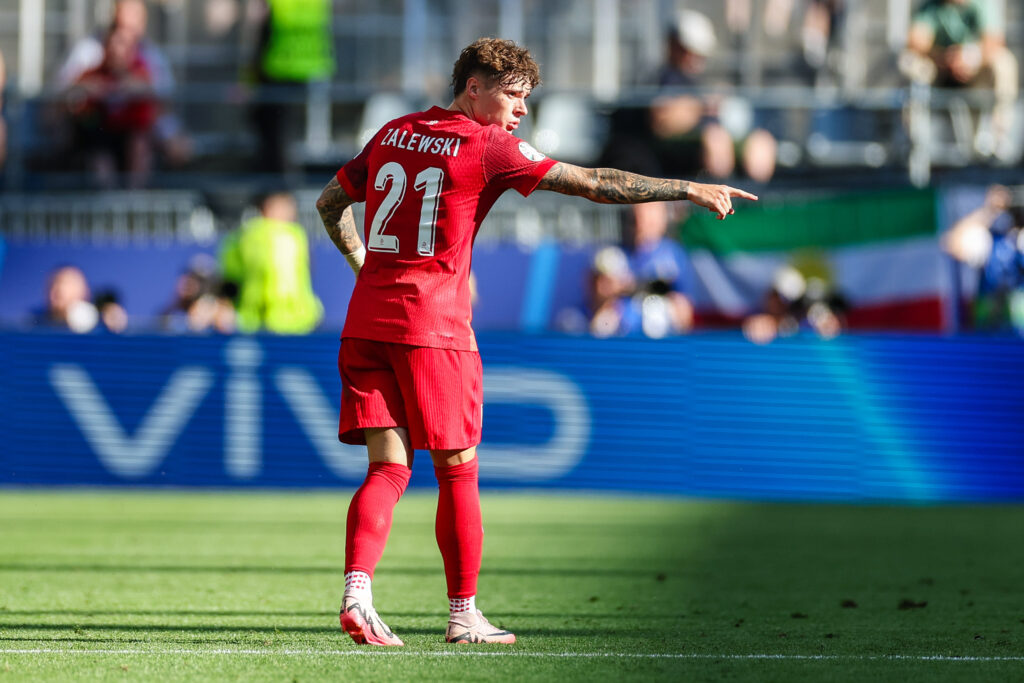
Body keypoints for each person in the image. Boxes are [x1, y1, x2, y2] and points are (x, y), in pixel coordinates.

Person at [315, 37, 756, 647]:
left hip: (367, 323)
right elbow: (595, 182)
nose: (521, 110)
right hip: (435, 329)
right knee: (458, 471)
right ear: (474, 87)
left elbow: (330, 202)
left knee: (388, 469)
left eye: (527, 97)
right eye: (513, 95)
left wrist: (364, 264)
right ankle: (464, 613)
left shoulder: (393, 132)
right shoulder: (487, 145)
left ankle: (357, 593)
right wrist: (684, 187)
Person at [56, 0, 192, 169]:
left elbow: (164, 99)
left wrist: (139, 89)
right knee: (99, 146)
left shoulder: (149, 58)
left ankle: (138, 192)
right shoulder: (90, 53)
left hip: (135, 128)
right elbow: (62, 91)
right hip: (99, 126)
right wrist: (90, 88)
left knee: (160, 144)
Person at [901, 0, 1019, 159]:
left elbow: (994, 40)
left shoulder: (982, 4)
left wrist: (970, 57)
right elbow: (915, 40)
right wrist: (945, 58)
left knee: (1004, 62)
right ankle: (914, 139)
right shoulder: (932, 6)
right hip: (939, 69)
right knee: (908, 61)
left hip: (975, 72)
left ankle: (999, 137)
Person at [244, 0, 335, 174]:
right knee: (286, 134)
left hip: (276, 69)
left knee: (274, 135)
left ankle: (279, 186)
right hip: (308, 68)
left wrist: (248, 79)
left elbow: (259, 35)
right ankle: (284, 183)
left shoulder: (277, 4)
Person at [65, 27, 159, 188]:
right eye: (112, 45)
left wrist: (130, 87)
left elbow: (152, 95)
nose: (117, 51)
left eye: (122, 45)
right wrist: (87, 89)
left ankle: (133, 198)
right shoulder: (92, 74)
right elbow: (69, 95)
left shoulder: (140, 75)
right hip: (101, 137)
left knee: (140, 145)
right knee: (99, 153)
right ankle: (109, 201)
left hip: (129, 136)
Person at [220, 191, 323, 334]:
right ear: (268, 207)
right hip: (294, 320)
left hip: (254, 321)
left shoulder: (240, 236)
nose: (292, 212)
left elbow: (231, 277)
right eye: (286, 206)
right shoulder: (295, 234)